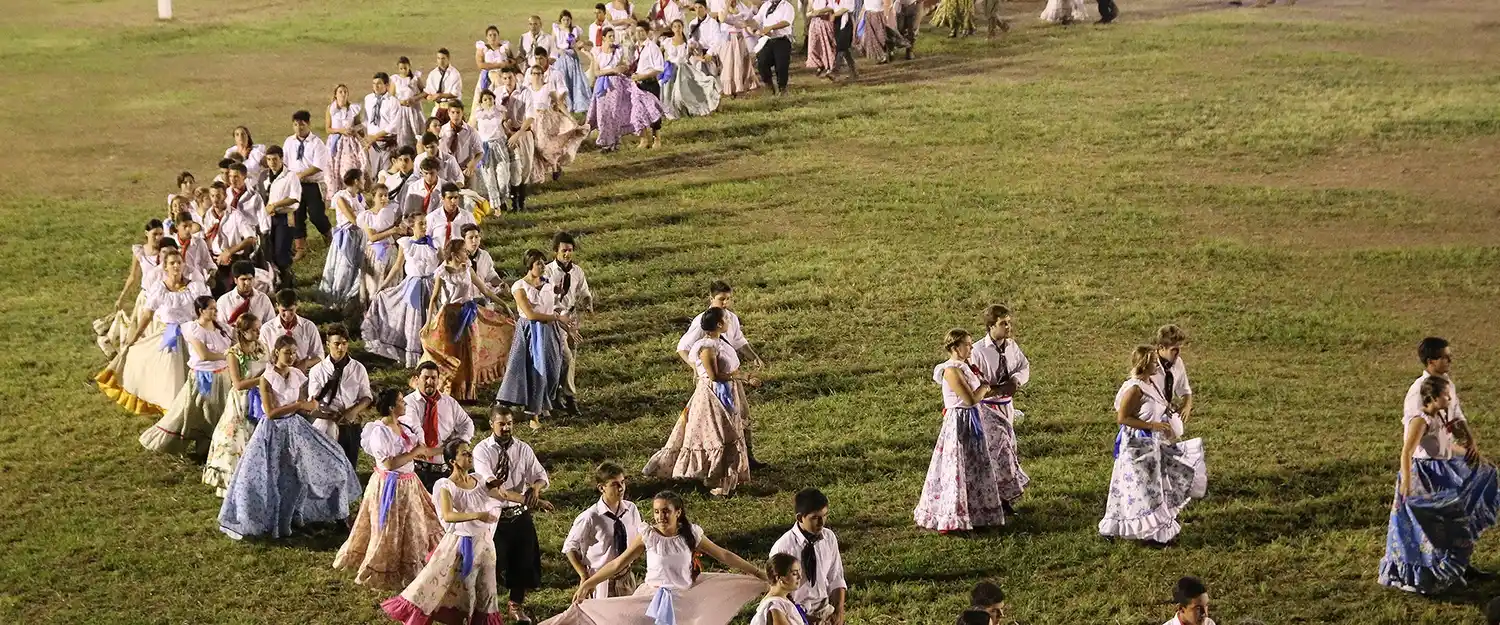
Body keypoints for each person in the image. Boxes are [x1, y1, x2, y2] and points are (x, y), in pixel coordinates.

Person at [542, 491, 767, 625]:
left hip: (683, 600)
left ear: (678, 512)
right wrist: (589, 582)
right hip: (651, 599)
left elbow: (724, 555)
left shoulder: (690, 535)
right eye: (657, 511)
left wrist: (757, 573)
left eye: (666, 511)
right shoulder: (648, 535)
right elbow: (618, 563)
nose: (660, 516)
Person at [218, 335, 361, 540]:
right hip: (274, 431)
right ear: (277, 353)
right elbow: (270, 412)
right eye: (287, 353)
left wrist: (324, 414)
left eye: (294, 353)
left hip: (294, 426)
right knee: (282, 478)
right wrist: (299, 405)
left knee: (323, 463)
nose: (292, 356)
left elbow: (304, 406)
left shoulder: (296, 375)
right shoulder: (266, 378)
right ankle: (281, 523)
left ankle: (299, 515)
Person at [381, 440, 538, 625]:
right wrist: (478, 515)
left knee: (488, 592)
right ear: (452, 462)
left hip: (485, 544)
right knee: (465, 592)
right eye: (464, 453)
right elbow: (448, 515)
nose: (470, 456)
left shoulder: (478, 479)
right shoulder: (445, 486)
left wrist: (531, 501)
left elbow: (504, 495)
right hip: (462, 545)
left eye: (469, 452)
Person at [1378, 373, 1500, 594]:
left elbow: (1445, 446)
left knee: (1450, 524)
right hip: (1424, 477)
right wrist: (1407, 482)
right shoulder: (1420, 420)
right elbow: (1407, 452)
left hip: (1442, 472)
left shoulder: (1440, 416)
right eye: (1445, 396)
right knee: (1429, 530)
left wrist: (1478, 459)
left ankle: (1452, 570)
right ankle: (1424, 577)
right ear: (1433, 398)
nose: (1449, 399)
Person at [334, 388, 444, 590]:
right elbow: (389, 464)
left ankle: (412, 564)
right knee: (388, 529)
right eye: (402, 401)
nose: (405, 404)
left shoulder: (403, 426)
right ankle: (385, 567)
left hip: (409, 484)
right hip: (389, 487)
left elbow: (420, 452)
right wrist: (415, 453)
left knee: (415, 526)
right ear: (392, 407)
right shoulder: (380, 432)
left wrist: (449, 450)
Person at [1098, 345, 1207, 545]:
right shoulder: (1135, 388)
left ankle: (1132, 528)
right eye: (1154, 363)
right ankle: (1152, 533)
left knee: (1148, 487)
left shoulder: (1152, 384)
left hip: (1153, 442)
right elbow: (1122, 418)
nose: (1158, 365)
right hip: (1137, 445)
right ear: (1144, 365)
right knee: (1146, 490)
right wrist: (1152, 425)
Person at [645, 307, 751, 496]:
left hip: (727, 391)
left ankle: (726, 479)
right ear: (719, 324)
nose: (729, 321)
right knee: (718, 434)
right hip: (713, 396)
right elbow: (714, 376)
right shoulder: (707, 348)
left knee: (729, 433)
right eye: (726, 319)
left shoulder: (721, 342)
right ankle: (714, 479)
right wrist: (744, 377)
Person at [914, 329, 1006, 532]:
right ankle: (952, 514)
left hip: (972, 418)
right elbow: (970, 399)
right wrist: (984, 388)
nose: (971, 348)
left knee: (974, 465)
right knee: (957, 465)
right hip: (960, 421)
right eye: (967, 344)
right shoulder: (951, 371)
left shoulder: (966, 367)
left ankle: (974, 511)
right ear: (955, 347)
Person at [96, 248, 208, 415]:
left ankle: (195, 409)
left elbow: (206, 311)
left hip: (192, 336)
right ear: (165, 267)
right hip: (170, 338)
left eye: (179, 262)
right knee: (172, 377)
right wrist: (133, 338)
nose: (176, 266)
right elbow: (147, 315)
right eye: (172, 263)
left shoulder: (195, 288)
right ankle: (174, 413)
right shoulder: (159, 289)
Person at [473, 407, 554, 623]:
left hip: (519, 514)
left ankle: (516, 604)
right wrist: (530, 500)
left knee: (524, 560)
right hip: (495, 516)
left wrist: (535, 488)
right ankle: (483, 606)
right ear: (492, 424)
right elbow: (492, 485)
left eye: (509, 423)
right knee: (493, 563)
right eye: (501, 424)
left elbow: (540, 475)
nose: (506, 428)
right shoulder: (482, 451)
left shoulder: (522, 448)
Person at [675, 281, 767, 466]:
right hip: (716, 382)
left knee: (742, 416)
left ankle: (746, 457)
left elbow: (739, 341)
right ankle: (715, 462)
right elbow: (683, 348)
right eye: (721, 299)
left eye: (728, 299)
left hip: (731, 379)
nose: (725, 303)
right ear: (711, 298)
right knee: (715, 423)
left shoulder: (730, 318)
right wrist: (696, 367)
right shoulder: (704, 321)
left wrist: (754, 356)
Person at [421, 238, 514, 402]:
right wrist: (428, 322)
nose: (467, 253)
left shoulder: (467, 268)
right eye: (463, 251)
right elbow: (434, 298)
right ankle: (452, 390)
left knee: (471, 351)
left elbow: (484, 289)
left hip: (469, 313)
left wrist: (504, 305)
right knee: (452, 352)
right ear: (454, 254)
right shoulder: (442, 272)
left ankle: (469, 391)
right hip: (450, 316)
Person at [139, 295, 233, 455]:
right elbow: (204, 355)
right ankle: (167, 441)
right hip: (204, 377)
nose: (215, 311)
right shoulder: (195, 330)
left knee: (219, 412)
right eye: (211, 308)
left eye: (215, 308)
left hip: (223, 375)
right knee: (196, 410)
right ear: (201, 311)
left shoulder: (221, 328)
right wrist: (227, 355)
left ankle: (210, 449)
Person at [497, 249, 571, 429]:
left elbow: (553, 304)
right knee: (537, 372)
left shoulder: (548, 282)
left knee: (553, 370)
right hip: (532, 332)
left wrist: (561, 315)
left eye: (543, 262)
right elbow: (530, 314)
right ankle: (533, 416)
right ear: (529, 266)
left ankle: (545, 404)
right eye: (538, 263)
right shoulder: (519, 287)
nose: (542, 266)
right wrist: (556, 317)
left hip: (550, 331)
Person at [969, 305, 1030, 515]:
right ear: (990, 326)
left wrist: (1015, 381)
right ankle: (998, 501)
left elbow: (1023, 366)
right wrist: (993, 388)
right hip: (987, 407)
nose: (1008, 327)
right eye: (1003, 323)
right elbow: (972, 378)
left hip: (1006, 406)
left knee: (1009, 448)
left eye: (1009, 322)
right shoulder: (978, 351)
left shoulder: (1011, 346)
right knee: (998, 451)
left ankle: (1002, 497)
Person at [364, 209, 440, 367]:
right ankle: (414, 355)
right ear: (412, 226)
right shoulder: (406, 244)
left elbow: (441, 265)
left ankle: (433, 353)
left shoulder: (434, 243)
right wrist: (383, 285)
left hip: (431, 284)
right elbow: (397, 266)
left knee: (433, 317)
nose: (424, 227)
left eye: (425, 223)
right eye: (421, 224)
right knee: (414, 319)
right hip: (413, 286)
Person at [202, 313, 265, 496]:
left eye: (259, 329)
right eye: (254, 330)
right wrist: (261, 380)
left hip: (259, 397)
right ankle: (232, 483)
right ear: (243, 332)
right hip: (242, 400)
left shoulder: (261, 347)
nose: (258, 332)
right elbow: (237, 383)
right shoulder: (233, 353)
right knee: (235, 438)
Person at [563, 462, 648, 599]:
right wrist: (584, 575)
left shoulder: (631, 509)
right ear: (601, 487)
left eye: (622, 482)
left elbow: (639, 538)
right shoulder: (591, 517)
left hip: (625, 576)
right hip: (601, 581)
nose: (621, 488)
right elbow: (569, 547)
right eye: (614, 484)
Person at [769, 488, 847, 624]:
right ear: (800, 518)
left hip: (824, 611)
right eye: (815, 518)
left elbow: (836, 577)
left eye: (824, 515)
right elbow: (777, 593)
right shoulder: (783, 548)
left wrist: (839, 611)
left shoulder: (828, 538)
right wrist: (804, 618)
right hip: (794, 614)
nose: (822, 522)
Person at [586, 28, 666, 153]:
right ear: (604, 38)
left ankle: (617, 142)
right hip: (602, 86)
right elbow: (596, 72)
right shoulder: (598, 52)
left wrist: (623, 69)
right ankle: (606, 142)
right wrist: (612, 70)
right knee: (603, 114)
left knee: (615, 114)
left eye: (613, 36)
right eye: (610, 36)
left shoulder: (618, 51)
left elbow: (626, 65)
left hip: (617, 85)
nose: (612, 38)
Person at [403, 361, 477, 489]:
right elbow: (413, 428)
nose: (430, 381)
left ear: (438, 380)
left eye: (433, 378)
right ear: (417, 379)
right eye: (426, 377)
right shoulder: (408, 403)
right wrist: (424, 449)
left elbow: (467, 423)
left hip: (446, 469)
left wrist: (457, 445)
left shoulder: (449, 402)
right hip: (417, 469)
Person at [307, 324, 374, 466]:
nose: (341, 348)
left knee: (349, 465)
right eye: (336, 344)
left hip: (350, 424)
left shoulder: (358, 368)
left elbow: (367, 396)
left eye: (344, 343)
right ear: (328, 344)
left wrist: (353, 411)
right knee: (327, 466)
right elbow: (313, 403)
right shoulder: (317, 371)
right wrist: (330, 415)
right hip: (327, 425)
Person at [544, 233, 593, 416]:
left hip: (572, 316)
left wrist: (588, 303)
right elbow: (547, 300)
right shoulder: (548, 271)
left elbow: (584, 291)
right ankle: (570, 397)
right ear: (555, 251)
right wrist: (563, 321)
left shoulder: (577, 271)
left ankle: (558, 395)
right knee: (566, 358)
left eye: (570, 250)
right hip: (555, 318)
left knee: (571, 358)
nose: (567, 254)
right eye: (563, 250)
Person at [520, 61, 589, 181]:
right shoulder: (527, 90)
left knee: (544, 146)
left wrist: (570, 118)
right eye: (534, 73)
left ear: (542, 75)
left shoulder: (548, 88)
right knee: (535, 148)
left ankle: (554, 167)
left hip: (545, 121)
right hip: (532, 121)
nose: (536, 76)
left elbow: (559, 103)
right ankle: (550, 168)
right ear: (530, 75)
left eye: (539, 73)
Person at [284, 110, 332, 260]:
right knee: (297, 215)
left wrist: (301, 175)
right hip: (295, 185)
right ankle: (300, 247)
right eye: (295, 125)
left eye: (302, 125)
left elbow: (318, 166)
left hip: (312, 183)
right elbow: (285, 162)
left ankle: (329, 236)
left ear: (308, 124)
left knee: (316, 214)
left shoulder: (316, 143)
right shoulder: (289, 142)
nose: (299, 128)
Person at [317, 169, 368, 307]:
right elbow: (353, 219)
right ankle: (337, 298)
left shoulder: (360, 197)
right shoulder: (341, 197)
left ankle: (352, 297)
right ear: (356, 181)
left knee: (356, 267)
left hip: (359, 235)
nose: (364, 181)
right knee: (344, 267)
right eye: (362, 179)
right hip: (347, 236)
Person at [660, 18, 722, 118]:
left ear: (682, 28)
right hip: (670, 69)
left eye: (679, 26)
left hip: (683, 69)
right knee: (670, 92)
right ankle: (671, 111)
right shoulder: (667, 41)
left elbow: (692, 56)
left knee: (685, 91)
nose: (677, 29)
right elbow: (659, 53)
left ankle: (694, 107)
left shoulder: (687, 43)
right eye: (675, 26)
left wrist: (703, 59)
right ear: (672, 28)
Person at [259, 147, 301, 287]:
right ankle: (276, 281)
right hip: (268, 218)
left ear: (282, 159)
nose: (272, 163)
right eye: (269, 159)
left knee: (281, 251)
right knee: (268, 251)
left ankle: (288, 283)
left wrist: (275, 205)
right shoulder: (264, 176)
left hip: (285, 217)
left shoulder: (291, 176)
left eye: (275, 159)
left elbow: (295, 197)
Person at [257, 289, 324, 371]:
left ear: (296, 306)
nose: (287, 315)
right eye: (283, 310)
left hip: (301, 374)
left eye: (291, 310)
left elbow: (320, 356)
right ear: (277, 306)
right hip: (275, 373)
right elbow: (261, 358)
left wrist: (305, 363)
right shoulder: (267, 329)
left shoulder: (308, 327)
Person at [360, 182, 404, 303]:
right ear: (374, 197)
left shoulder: (389, 213)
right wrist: (391, 230)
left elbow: (394, 233)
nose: (384, 198)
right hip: (376, 252)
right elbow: (372, 237)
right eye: (380, 195)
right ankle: (373, 307)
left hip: (390, 250)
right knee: (375, 284)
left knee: (391, 282)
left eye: (386, 195)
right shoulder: (367, 216)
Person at [473, 89, 514, 211]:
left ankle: (502, 198)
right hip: (485, 147)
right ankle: (496, 205)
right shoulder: (478, 114)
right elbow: (472, 129)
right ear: (481, 102)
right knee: (489, 176)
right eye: (485, 100)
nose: (488, 101)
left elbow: (506, 126)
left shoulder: (500, 111)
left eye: (490, 99)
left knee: (503, 175)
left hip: (499, 145)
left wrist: (509, 130)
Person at [326, 84, 367, 198]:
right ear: (335, 94)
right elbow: (328, 129)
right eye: (340, 92)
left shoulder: (353, 109)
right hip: (335, 142)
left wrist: (355, 130)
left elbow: (359, 126)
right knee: (334, 170)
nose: (343, 94)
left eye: (345, 92)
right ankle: (337, 195)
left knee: (349, 167)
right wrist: (341, 130)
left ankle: (353, 193)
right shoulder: (331, 109)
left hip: (349, 144)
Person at [1152, 324, 1195, 427]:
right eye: (1174, 349)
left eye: (1180, 348)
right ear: (1161, 347)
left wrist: (1187, 405)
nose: (1178, 353)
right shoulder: (1148, 365)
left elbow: (1185, 389)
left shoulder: (1178, 362)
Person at [715, 0, 761, 97]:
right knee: (730, 63)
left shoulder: (741, 6)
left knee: (741, 63)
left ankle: (742, 87)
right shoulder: (722, 7)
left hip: (739, 37)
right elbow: (722, 19)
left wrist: (747, 24)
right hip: (728, 39)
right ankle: (730, 89)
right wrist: (727, 5)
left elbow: (749, 19)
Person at [552, 11, 593, 113]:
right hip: (561, 58)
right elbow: (553, 44)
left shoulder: (574, 30)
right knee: (563, 79)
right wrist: (559, 51)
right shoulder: (556, 29)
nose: (566, 22)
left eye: (568, 20)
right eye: (564, 20)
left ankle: (577, 102)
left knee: (574, 80)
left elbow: (577, 45)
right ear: (560, 20)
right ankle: (565, 103)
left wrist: (579, 45)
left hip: (572, 58)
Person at [754, 0, 796, 95]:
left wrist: (771, 27)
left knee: (781, 66)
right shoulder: (766, 5)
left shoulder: (787, 6)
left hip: (782, 39)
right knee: (762, 62)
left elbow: (786, 22)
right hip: (767, 40)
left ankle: (782, 88)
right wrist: (750, 24)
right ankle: (769, 85)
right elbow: (757, 19)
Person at [439, 100, 483, 187]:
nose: (455, 115)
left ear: (462, 113)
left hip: (465, 170)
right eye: (453, 112)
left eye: (458, 112)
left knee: (470, 194)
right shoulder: (442, 131)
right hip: (447, 171)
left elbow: (480, 152)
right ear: (448, 113)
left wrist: (473, 163)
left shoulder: (471, 132)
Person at [365, 73, 400, 175]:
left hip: (387, 142)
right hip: (373, 143)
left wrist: (376, 135)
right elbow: (366, 120)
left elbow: (394, 125)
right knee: (374, 172)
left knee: (387, 172)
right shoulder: (368, 99)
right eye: (374, 83)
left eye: (379, 83)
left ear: (387, 85)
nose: (376, 86)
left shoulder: (393, 101)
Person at [391, 57, 427, 148]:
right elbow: (391, 97)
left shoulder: (415, 78)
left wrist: (415, 99)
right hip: (401, 111)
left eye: (405, 68)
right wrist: (400, 102)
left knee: (417, 131)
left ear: (409, 67)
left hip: (415, 110)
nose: (403, 70)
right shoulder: (395, 79)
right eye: (401, 68)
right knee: (403, 133)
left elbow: (425, 92)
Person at [474, 26, 513, 106]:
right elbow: (480, 64)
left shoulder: (504, 47)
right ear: (487, 37)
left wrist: (508, 63)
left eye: (495, 35)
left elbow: (512, 60)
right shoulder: (482, 48)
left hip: (503, 75)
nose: (492, 37)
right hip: (488, 75)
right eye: (490, 35)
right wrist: (499, 65)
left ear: (498, 36)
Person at [425, 48, 464, 120]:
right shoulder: (433, 74)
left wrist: (439, 95)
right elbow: (428, 91)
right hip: (438, 109)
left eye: (443, 58)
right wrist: (429, 97)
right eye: (438, 58)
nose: (441, 61)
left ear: (448, 59)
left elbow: (455, 93)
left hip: (451, 109)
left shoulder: (454, 73)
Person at [805, 0, 838, 78]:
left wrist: (819, 11)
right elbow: (808, 11)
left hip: (825, 22)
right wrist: (810, 13)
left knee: (827, 45)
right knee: (813, 46)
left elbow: (832, 7)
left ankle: (830, 67)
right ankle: (820, 64)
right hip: (814, 22)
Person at [828, 0, 858, 80]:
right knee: (843, 47)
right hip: (837, 21)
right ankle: (853, 71)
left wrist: (834, 15)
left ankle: (835, 70)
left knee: (841, 45)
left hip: (846, 20)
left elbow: (846, 8)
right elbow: (830, 6)